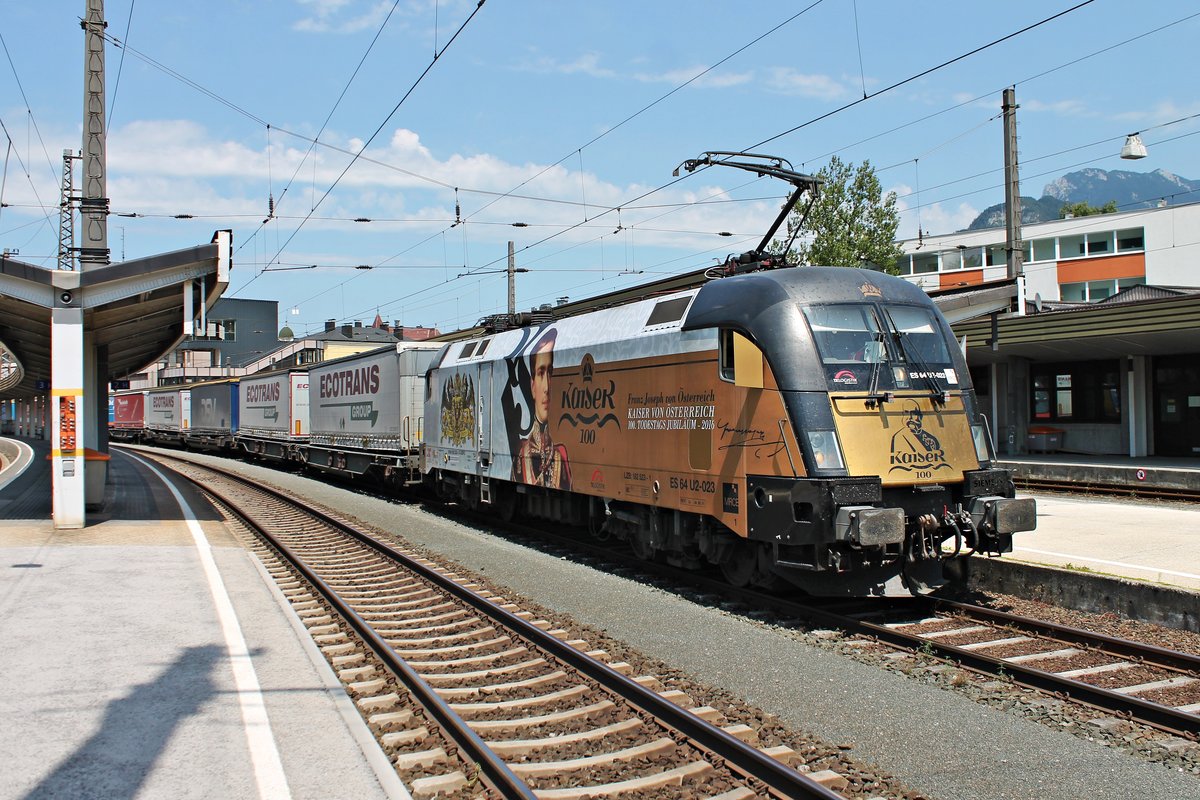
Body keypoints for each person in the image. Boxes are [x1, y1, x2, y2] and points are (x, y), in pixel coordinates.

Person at [513, 328, 571, 489]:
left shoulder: (561, 456)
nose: (547, 386)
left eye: (550, 372)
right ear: (532, 385)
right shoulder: (520, 453)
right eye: (540, 372)